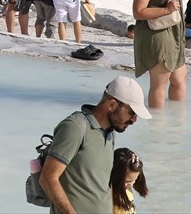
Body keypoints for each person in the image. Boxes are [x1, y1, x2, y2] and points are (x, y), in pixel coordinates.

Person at [38, 77, 151, 214]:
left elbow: (99, 182)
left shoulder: (110, 133)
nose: (134, 120)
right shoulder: (75, 127)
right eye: (131, 113)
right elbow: (48, 178)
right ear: (112, 105)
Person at [110, 148, 148, 213]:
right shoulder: (110, 194)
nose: (132, 184)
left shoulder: (127, 190)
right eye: (127, 181)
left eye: (134, 180)